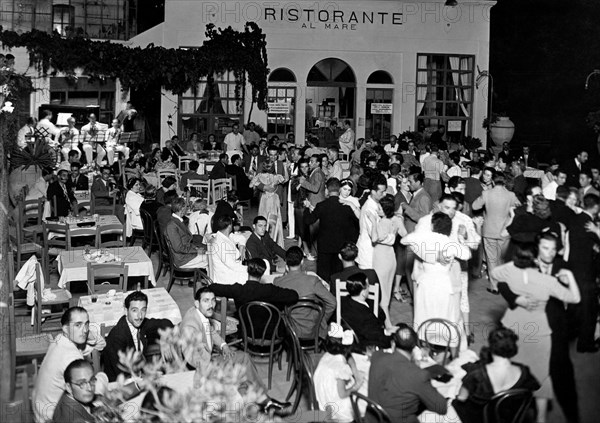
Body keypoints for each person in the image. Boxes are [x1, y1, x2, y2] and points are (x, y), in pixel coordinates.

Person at [492, 243, 580, 422]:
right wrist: (570, 277)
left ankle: (510, 412)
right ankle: (541, 418)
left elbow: (494, 274)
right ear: (536, 259)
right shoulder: (547, 281)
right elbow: (575, 298)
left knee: (512, 374)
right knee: (541, 377)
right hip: (539, 333)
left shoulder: (510, 273)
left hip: (513, 329)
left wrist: (516, 263)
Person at [179, 285, 291, 414]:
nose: (211, 304)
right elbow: (194, 359)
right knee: (242, 361)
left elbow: (210, 330)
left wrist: (223, 346)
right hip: (202, 369)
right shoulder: (190, 326)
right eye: (206, 300)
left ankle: (259, 401)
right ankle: (263, 401)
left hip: (208, 361)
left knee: (243, 360)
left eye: (213, 300)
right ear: (197, 303)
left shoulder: (198, 313)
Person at [402, 212, 471, 350]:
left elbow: (404, 240)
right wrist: (461, 239)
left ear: (432, 225)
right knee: (448, 319)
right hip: (444, 285)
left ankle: (424, 353)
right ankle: (450, 353)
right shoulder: (449, 242)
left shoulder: (424, 238)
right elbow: (467, 254)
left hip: (426, 284)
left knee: (424, 318)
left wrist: (430, 255)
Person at [32, 307, 107, 423]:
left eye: (87, 324)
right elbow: (92, 389)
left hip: (39, 408)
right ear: (66, 329)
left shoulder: (59, 339)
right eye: (78, 325)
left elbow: (100, 344)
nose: (85, 330)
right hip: (52, 417)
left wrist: (88, 334)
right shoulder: (72, 358)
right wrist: (103, 377)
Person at [453, 327, 541, 423]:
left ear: (491, 346)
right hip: (507, 418)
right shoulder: (524, 371)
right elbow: (533, 391)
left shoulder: (477, 374)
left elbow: (462, 397)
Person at [369, 324, 448, 422]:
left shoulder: (377, 356)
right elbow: (441, 408)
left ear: (393, 344)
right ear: (414, 347)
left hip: (372, 418)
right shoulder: (418, 375)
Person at [210, 258, 299, 334]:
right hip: (271, 334)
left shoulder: (237, 289)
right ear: (262, 273)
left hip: (247, 333)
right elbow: (294, 296)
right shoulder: (269, 290)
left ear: (247, 270)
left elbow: (213, 287)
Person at [103, 291, 175, 382]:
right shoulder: (117, 337)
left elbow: (166, 323)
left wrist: (165, 338)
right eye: (134, 310)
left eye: (143, 310)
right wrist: (147, 377)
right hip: (119, 384)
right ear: (126, 311)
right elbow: (123, 376)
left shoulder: (141, 323)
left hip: (138, 375)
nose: (139, 316)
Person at [472, 173, 520, 294]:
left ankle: (495, 286)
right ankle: (504, 283)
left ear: (493, 182)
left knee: (491, 259)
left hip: (489, 231)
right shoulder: (511, 195)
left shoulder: (486, 193)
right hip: (505, 231)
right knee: (502, 258)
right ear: (504, 182)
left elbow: (475, 206)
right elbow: (519, 207)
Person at [274, 247, 336, 338]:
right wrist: (320, 321)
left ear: (286, 263)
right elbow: (332, 302)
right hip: (311, 330)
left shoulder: (277, 281)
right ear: (302, 261)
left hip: (287, 330)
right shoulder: (312, 280)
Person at [305, 178, 360, 280]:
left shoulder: (321, 206)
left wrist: (306, 209)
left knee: (323, 277)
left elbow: (308, 220)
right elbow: (358, 223)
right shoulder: (346, 206)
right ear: (339, 190)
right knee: (338, 277)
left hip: (324, 247)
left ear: (326, 189)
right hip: (340, 247)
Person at [567, 193, 600, 353]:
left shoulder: (575, 219)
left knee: (575, 305)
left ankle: (570, 335)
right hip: (587, 271)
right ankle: (585, 343)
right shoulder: (590, 224)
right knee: (589, 309)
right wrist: (597, 231)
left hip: (572, 268)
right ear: (595, 207)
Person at [368, 194, 406, 327]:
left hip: (381, 257)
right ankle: (385, 320)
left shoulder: (382, 222)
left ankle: (387, 324)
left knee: (381, 291)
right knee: (387, 289)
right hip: (391, 256)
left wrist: (373, 222)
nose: (377, 210)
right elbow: (405, 236)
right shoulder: (396, 219)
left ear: (385, 210)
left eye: (379, 208)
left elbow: (374, 239)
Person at [314, 324, 364, 423]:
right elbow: (342, 394)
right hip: (337, 409)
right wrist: (356, 385)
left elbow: (348, 357)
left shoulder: (327, 356)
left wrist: (355, 370)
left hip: (322, 398)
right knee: (362, 402)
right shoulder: (340, 369)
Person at [340, 272, 393, 351]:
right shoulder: (366, 317)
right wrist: (390, 335)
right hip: (367, 345)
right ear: (363, 293)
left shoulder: (344, 301)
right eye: (368, 286)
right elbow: (377, 338)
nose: (369, 287)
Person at [163, 197, 207, 269]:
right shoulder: (172, 226)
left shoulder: (178, 221)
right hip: (182, 259)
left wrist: (196, 248)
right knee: (212, 259)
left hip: (186, 254)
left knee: (210, 255)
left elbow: (186, 242)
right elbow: (178, 248)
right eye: (186, 207)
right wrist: (196, 251)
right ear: (182, 209)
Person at [250, 161, 286, 246]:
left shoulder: (259, 176)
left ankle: (263, 242)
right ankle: (274, 242)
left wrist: (261, 185)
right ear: (273, 168)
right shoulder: (277, 177)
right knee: (274, 220)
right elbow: (285, 180)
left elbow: (250, 185)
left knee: (263, 218)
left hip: (264, 199)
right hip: (273, 199)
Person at [356, 174, 388, 270]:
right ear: (373, 191)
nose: (384, 194)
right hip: (368, 255)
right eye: (382, 192)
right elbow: (374, 236)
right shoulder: (369, 209)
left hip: (374, 253)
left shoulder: (376, 204)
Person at [207, 215, 248, 285]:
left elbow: (241, 238)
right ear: (230, 226)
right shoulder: (220, 243)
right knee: (255, 276)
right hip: (226, 276)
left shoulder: (225, 236)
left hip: (231, 270)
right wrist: (248, 269)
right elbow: (231, 265)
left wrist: (242, 246)